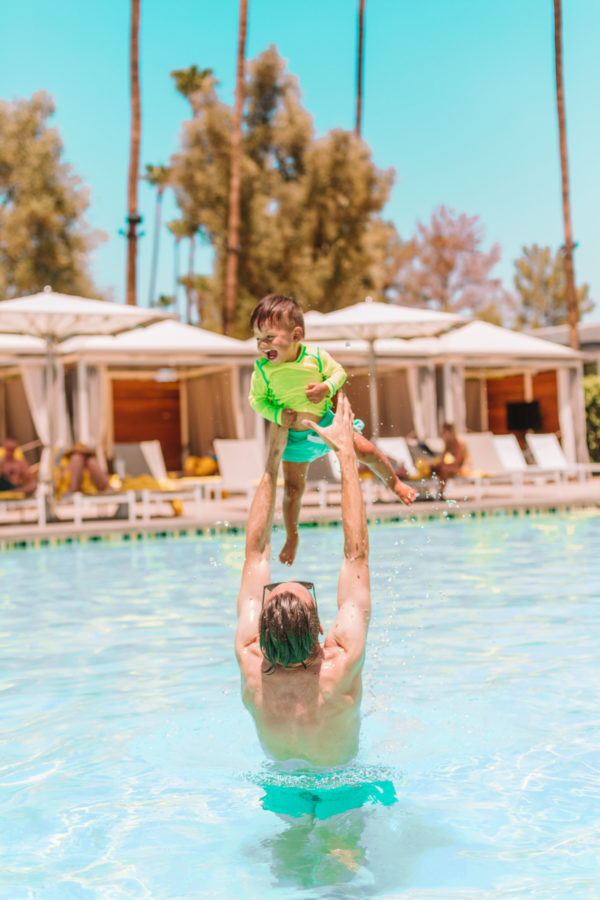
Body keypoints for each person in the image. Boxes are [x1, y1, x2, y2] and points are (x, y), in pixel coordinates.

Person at [235, 394, 371, 767]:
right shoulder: (340, 666)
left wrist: (272, 459)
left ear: (262, 633)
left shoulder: (250, 661)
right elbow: (355, 555)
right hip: (341, 790)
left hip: (280, 792)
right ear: (321, 631)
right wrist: (345, 455)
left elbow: (255, 554)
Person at [249, 293, 416, 565]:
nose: (262, 344)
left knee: (367, 451)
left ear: (296, 335)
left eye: (269, 336)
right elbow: (256, 401)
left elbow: (338, 373)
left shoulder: (315, 356)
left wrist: (327, 387)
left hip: (327, 425)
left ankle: (394, 483)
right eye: (258, 338)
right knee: (293, 489)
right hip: (293, 437)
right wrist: (277, 413)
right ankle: (292, 536)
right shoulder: (263, 371)